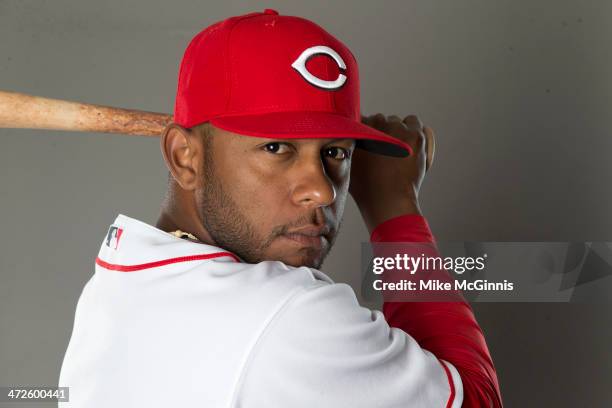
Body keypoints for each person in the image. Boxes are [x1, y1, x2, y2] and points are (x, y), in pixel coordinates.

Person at [59, 9, 502, 407]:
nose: (322, 192)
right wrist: (396, 210)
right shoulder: (287, 314)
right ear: (183, 156)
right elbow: (477, 399)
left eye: (335, 153)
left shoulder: (116, 282)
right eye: (276, 147)